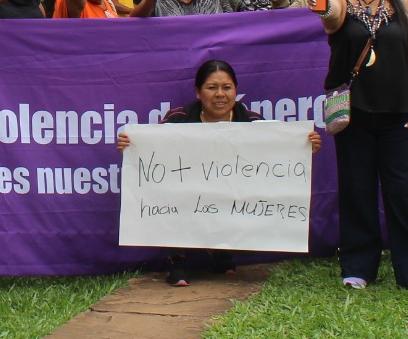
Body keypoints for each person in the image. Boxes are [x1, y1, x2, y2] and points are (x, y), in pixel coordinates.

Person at [118, 59, 321, 285]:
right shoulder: (178, 120)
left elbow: (277, 156)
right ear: (198, 92)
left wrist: (302, 146)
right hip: (188, 195)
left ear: (236, 91)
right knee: (171, 192)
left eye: (227, 88)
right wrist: (130, 147)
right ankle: (177, 258)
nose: (220, 94)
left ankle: (221, 249)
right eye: (212, 88)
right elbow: (151, 157)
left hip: (233, 196)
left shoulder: (253, 123)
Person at [319, 0, 408, 295]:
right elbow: (329, 18)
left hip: (400, 112)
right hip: (354, 114)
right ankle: (358, 266)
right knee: (357, 189)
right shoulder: (338, 0)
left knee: (404, 190)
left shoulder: (403, 3)